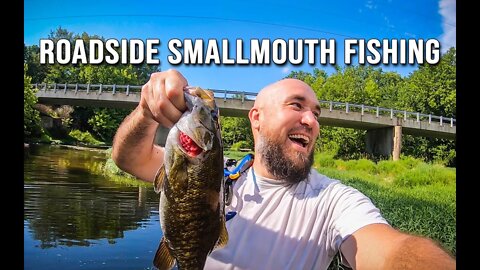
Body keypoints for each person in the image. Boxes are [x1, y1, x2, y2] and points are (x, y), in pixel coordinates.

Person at [112, 69, 456, 270]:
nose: (311, 120)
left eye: (317, 114)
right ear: (256, 118)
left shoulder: (334, 201)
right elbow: (127, 158)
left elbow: (390, 252)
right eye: (297, 105)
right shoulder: (217, 172)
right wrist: (146, 112)